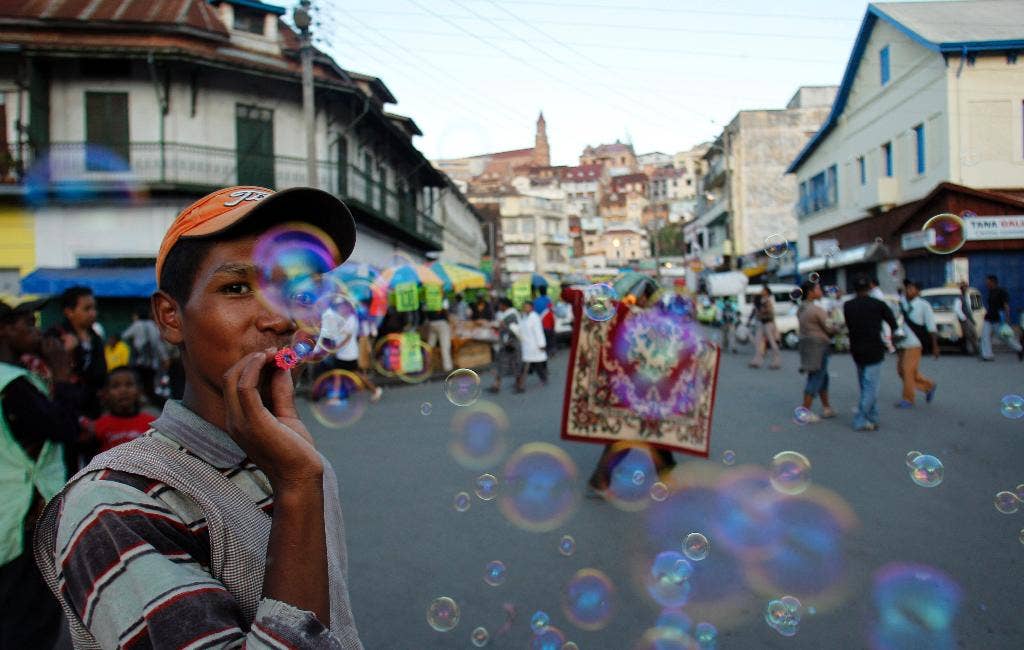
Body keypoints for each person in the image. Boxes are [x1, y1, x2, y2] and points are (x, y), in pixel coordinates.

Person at [33, 185, 364, 648]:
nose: (281, 319)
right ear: (170, 317)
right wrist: (297, 487)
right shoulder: (114, 503)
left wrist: (300, 479)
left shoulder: (299, 460)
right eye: (237, 287)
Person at [0, 297, 81, 649]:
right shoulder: (13, 384)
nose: (35, 330)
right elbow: (62, 428)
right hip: (24, 517)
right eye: (26, 324)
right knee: (28, 621)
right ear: (5, 331)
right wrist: (62, 376)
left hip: (7, 515)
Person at [843, 275, 899, 432]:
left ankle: (872, 416)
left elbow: (849, 325)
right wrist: (894, 339)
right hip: (874, 349)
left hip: (857, 350)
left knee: (864, 385)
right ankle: (860, 420)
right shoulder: (878, 304)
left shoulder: (848, 305)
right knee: (871, 387)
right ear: (869, 288)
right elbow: (893, 323)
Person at [45, 285, 107, 419]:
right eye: (87, 309)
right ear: (69, 312)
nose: (93, 313)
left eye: (94, 308)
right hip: (67, 405)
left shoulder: (96, 338)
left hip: (92, 408)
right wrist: (66, 352)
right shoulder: (56, 336)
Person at [894, 280, 938, 408]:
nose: (908, 291)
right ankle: (928, 386)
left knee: (908, 370)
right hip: (902, 341)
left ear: (918, 291)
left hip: (915, 343)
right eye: (907, 288)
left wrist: (935, 346)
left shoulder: (924, 305)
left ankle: (908, 399)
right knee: (902, 370)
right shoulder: (902, 303)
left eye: (912, 289)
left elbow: (931, 326)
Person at [797, 281, 837, 421]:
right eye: (818, 288)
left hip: (807, 345)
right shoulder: (816, 309)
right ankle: (804, 411)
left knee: (822, 377)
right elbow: (830, 327)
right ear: (810, 292)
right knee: (817, 377)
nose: (820, 291)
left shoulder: (801, 308)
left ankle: (827, 407)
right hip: (819, 346)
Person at [92, 367, 156, 453]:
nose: (123, 390)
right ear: (106, 393)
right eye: (115, 386)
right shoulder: (98, 426)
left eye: (129, 385)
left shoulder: (152, 424)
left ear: (139, 390)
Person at [122, 310, 170, 408]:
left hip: (138, 362)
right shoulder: (153, 326)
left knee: (137, 384)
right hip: (152, 364)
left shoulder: (136, 325)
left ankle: (137, 406)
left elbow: (125, 335)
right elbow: (158, 344)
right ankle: (161, 406)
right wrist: (165, 358)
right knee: (150, 387)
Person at [979, 274, 1023, 361]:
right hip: (988, 318)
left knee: (1005, 337)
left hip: (998, 319)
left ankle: (1019, 349)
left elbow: (1006, 306)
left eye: (988, 282)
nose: (986, 284)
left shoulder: (1002, 292)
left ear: (993, 282)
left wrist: (1007, 318)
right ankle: (987, 355)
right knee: (985, 336)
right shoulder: (990, 292)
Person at [487, 297, 522, 394]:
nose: (499, 306)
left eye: (500, 304)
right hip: (507, 343)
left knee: (513, 364)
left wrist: (502, 326)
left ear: (504, 305)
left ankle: (518, 384)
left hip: (511, 343)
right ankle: (497, 385)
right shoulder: (507, 315)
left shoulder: (511, 315)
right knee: (504, 364)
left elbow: (515, 330)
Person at [515, 300, 547, 392]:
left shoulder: (535, 317)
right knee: (525, 365)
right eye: (524, 307)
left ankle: (543, 378)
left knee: (537, 365)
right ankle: (521, 385)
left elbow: (539, 332)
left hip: (535, 345)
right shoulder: (524, 317)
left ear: (531, 307)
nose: (525, 308)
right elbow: (520, 329)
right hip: (527, 346)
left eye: (526, 306)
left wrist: (541, 344)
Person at [748, 285, 781, 369]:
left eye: (763, 290)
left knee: (771, 341)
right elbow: (755, 310)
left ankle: (776, 361)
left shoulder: (768, 300)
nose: (762, 291)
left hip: (768, 323)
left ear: (767, 292)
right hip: (761, 322)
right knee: (758, 342)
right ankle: (757, 360)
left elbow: (769, 312)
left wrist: (761, 308)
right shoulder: (760, 299)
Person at [425, 303, 454, 373]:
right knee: (445, 346)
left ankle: (426, 365)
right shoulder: (441, 301)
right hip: (442, 323)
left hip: (431, 324)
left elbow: (425, 313)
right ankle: (447, 367)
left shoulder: (428, 301)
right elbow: (446, 312)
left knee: (429, 346)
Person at [953, 282, 979, 356]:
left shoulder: (966, 297)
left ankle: (974, 349)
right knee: (970, 335)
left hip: (969, 318)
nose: (965, 289)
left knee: (973, 334)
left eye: (966, 287)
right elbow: (957, 309)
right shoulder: (959, 299)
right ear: (961, 289)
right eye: (964, 287)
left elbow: (970, 309)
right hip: (965, 319)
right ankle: (974, 350)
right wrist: (964, 318)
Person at [533, 285, 556, 355]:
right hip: (548, 324)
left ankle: (543, 351)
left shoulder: (536, 301)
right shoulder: (548, 300)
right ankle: (550, 351)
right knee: (550, 338)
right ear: (546, 291)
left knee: (542, 338)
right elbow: (552, 312)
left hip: (539, 324)